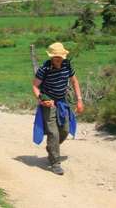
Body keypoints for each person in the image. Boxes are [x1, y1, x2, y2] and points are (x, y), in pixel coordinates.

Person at [31, 42, 84, 175]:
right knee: (53, 133)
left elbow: (74, 81)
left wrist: (79, 100)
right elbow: (35, 86)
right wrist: (41, 100)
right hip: (48, 103)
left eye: (59, 56)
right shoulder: (44, 69)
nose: (58, 59)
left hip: (62, 102)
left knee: (65, 130)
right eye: (55, 57)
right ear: (51, 57)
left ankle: (51, 147)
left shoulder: (67, 65)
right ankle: (55, 163)